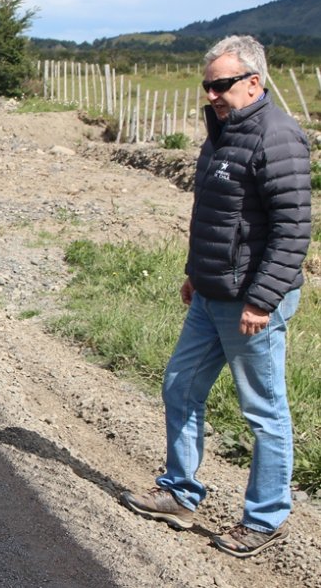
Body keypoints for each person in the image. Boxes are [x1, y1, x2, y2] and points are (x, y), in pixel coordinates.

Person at [120, 35, 312, 558]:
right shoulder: (223, 132)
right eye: (207, 85)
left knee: (263, 412)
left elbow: (293, 231)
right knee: (180, 386)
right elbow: (214, 218)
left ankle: (266, 518)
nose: (211, 94)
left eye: (221, 84)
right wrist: (194, 273)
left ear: (255, 82)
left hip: (250, 302)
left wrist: (262, 300)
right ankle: (180, 494)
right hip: (211, 294)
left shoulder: (278, 138)